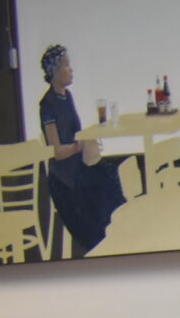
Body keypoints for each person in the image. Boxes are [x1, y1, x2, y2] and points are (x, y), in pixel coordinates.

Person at [36, 46, 125, 258]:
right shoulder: (47, 105)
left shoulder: (68, 96)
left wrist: (86, 142)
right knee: (101, 186)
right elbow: (56, 151)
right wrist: (80, 146)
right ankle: (105, 240)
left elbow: (75, 134)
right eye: (66, 65)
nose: (71, 69)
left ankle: (118, 231)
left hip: (79, 168)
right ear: (54, 72)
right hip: (65, 178)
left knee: (109, 175)